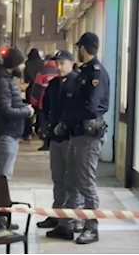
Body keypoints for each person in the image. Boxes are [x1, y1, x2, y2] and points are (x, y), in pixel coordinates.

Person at [48, 32, 110, 245]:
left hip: (88, 136)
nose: (78, 51)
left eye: (79, 48)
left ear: (84, 48)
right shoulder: (83, 73)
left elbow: (89, 107)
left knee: (85, 183)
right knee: (70, 181)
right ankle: (68, 224)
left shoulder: (96, 73)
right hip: (77, 134)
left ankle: (91, 227)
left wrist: (66, 121)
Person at [0, 47, 35, 229]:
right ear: (14, 64)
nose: (23, 65)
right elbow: (5, 110)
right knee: (1, 180)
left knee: (1, 178)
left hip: (3, 133)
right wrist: (27, 111)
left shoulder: (3, 79)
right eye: (21, 62)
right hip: (4, 134)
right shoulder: (2, 82)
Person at [37, 50, 84, 232]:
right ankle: (57, 213)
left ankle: (73, 217)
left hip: (71, 137)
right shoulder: (54, 84)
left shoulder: (78, 82)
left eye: (62, 63)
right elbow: (47, 107)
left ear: (71, 63)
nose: (59, 67)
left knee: (72, 180)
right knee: (57, 178)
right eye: (56, 63)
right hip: (56, 138)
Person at [29, 54, 57, 151]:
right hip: (56, 103)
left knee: (44, 123)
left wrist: (34, 101)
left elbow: (36, 88)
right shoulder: (59, 71)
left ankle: (46, 143)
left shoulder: (41, 73)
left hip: (43, 102)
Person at [22, 48, 44, 140]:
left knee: (28, 109)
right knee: (41, 109)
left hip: (31, 89)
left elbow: (26, 79)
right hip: (41, 88)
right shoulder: (43, 64)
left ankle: (28, 132)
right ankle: (40, 129)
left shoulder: (28, 64)